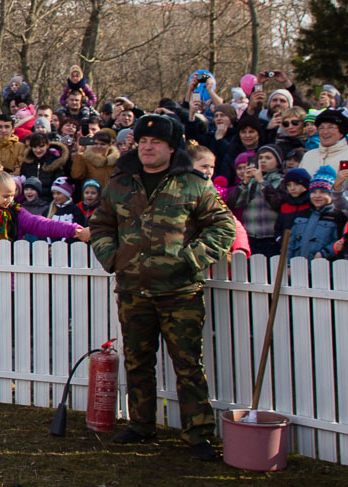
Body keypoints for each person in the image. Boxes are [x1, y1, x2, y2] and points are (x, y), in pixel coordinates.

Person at [86, 112, 236, 458]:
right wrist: (113, 258)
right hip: (133, 290)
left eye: (156, 143)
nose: (147, 148)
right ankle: (140, 425)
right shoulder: (121, 183)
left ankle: (198, 434)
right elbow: (102, 224)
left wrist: (191, 258)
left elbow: (223, 227)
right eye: (142, 142)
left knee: (188, 365)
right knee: (138, 361)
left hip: (180, 292)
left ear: (172, 148)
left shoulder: (193, 184)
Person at [299, 109, 348, 178]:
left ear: (341, 132)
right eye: (321, 128)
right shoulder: (308, 156)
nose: (325, 132)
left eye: (330, 127)